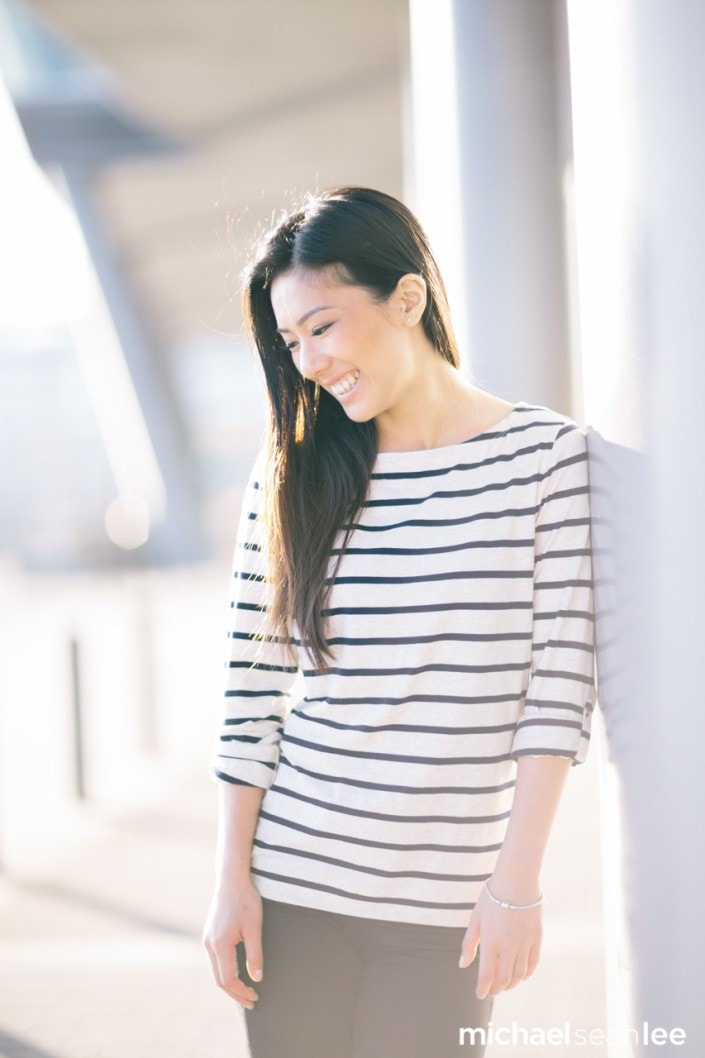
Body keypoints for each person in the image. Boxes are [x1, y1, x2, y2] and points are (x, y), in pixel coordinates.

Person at [202, 186, 595, 1058]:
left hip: (443, 913)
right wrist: (230, 879)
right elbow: (250, 690)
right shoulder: (290, 475)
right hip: (292, 886)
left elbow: (558, 688)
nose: (305, 360)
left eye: (323, 326)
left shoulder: (544, 459)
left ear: (406, 298)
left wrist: (516, 886)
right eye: (290, 341)